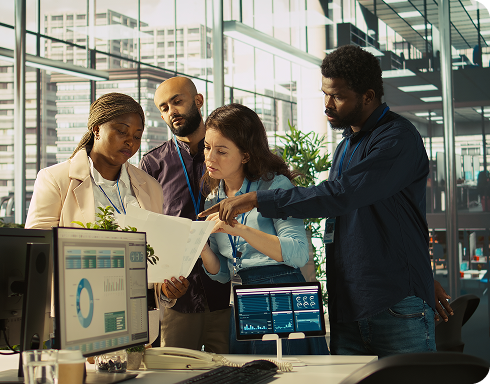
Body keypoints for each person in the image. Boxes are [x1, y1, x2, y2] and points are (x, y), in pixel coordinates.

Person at [200, 45, 454, 358]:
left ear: (368, 96)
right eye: (324, 93)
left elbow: (341, 196)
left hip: (393, 302)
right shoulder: (346, 145)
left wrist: (256, 199)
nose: (327, 105)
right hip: (348, 304)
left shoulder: (397, 139)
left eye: (338, 96)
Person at [25, 92, 189, 306]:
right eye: (121, 131)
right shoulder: (56, 179)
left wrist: (166, 290)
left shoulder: (151, 187)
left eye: (137, 135)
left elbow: (155, 259)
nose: (130, 141)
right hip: (80, 307)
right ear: (96, 129)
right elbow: (39, 251)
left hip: (136, 312)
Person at [199, 103, 329, 355]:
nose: (210, 158)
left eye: (221, 151)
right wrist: (201, 246)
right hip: (242, 300)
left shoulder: (274, 188)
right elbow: (223, 273)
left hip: (283, 293)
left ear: (245, 155)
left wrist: (241, 230)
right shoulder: (212, 200)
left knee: (289, 376)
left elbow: (299, 253)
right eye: (207, 147)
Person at [139, 77, 231, 353]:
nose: (172, 112)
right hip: (177, 296)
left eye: (177, 101)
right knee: (176, 374)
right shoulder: (152, 164)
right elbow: (147, 230)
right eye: (164, 108)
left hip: (226, 293)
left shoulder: (228, 153)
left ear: (198, 101)